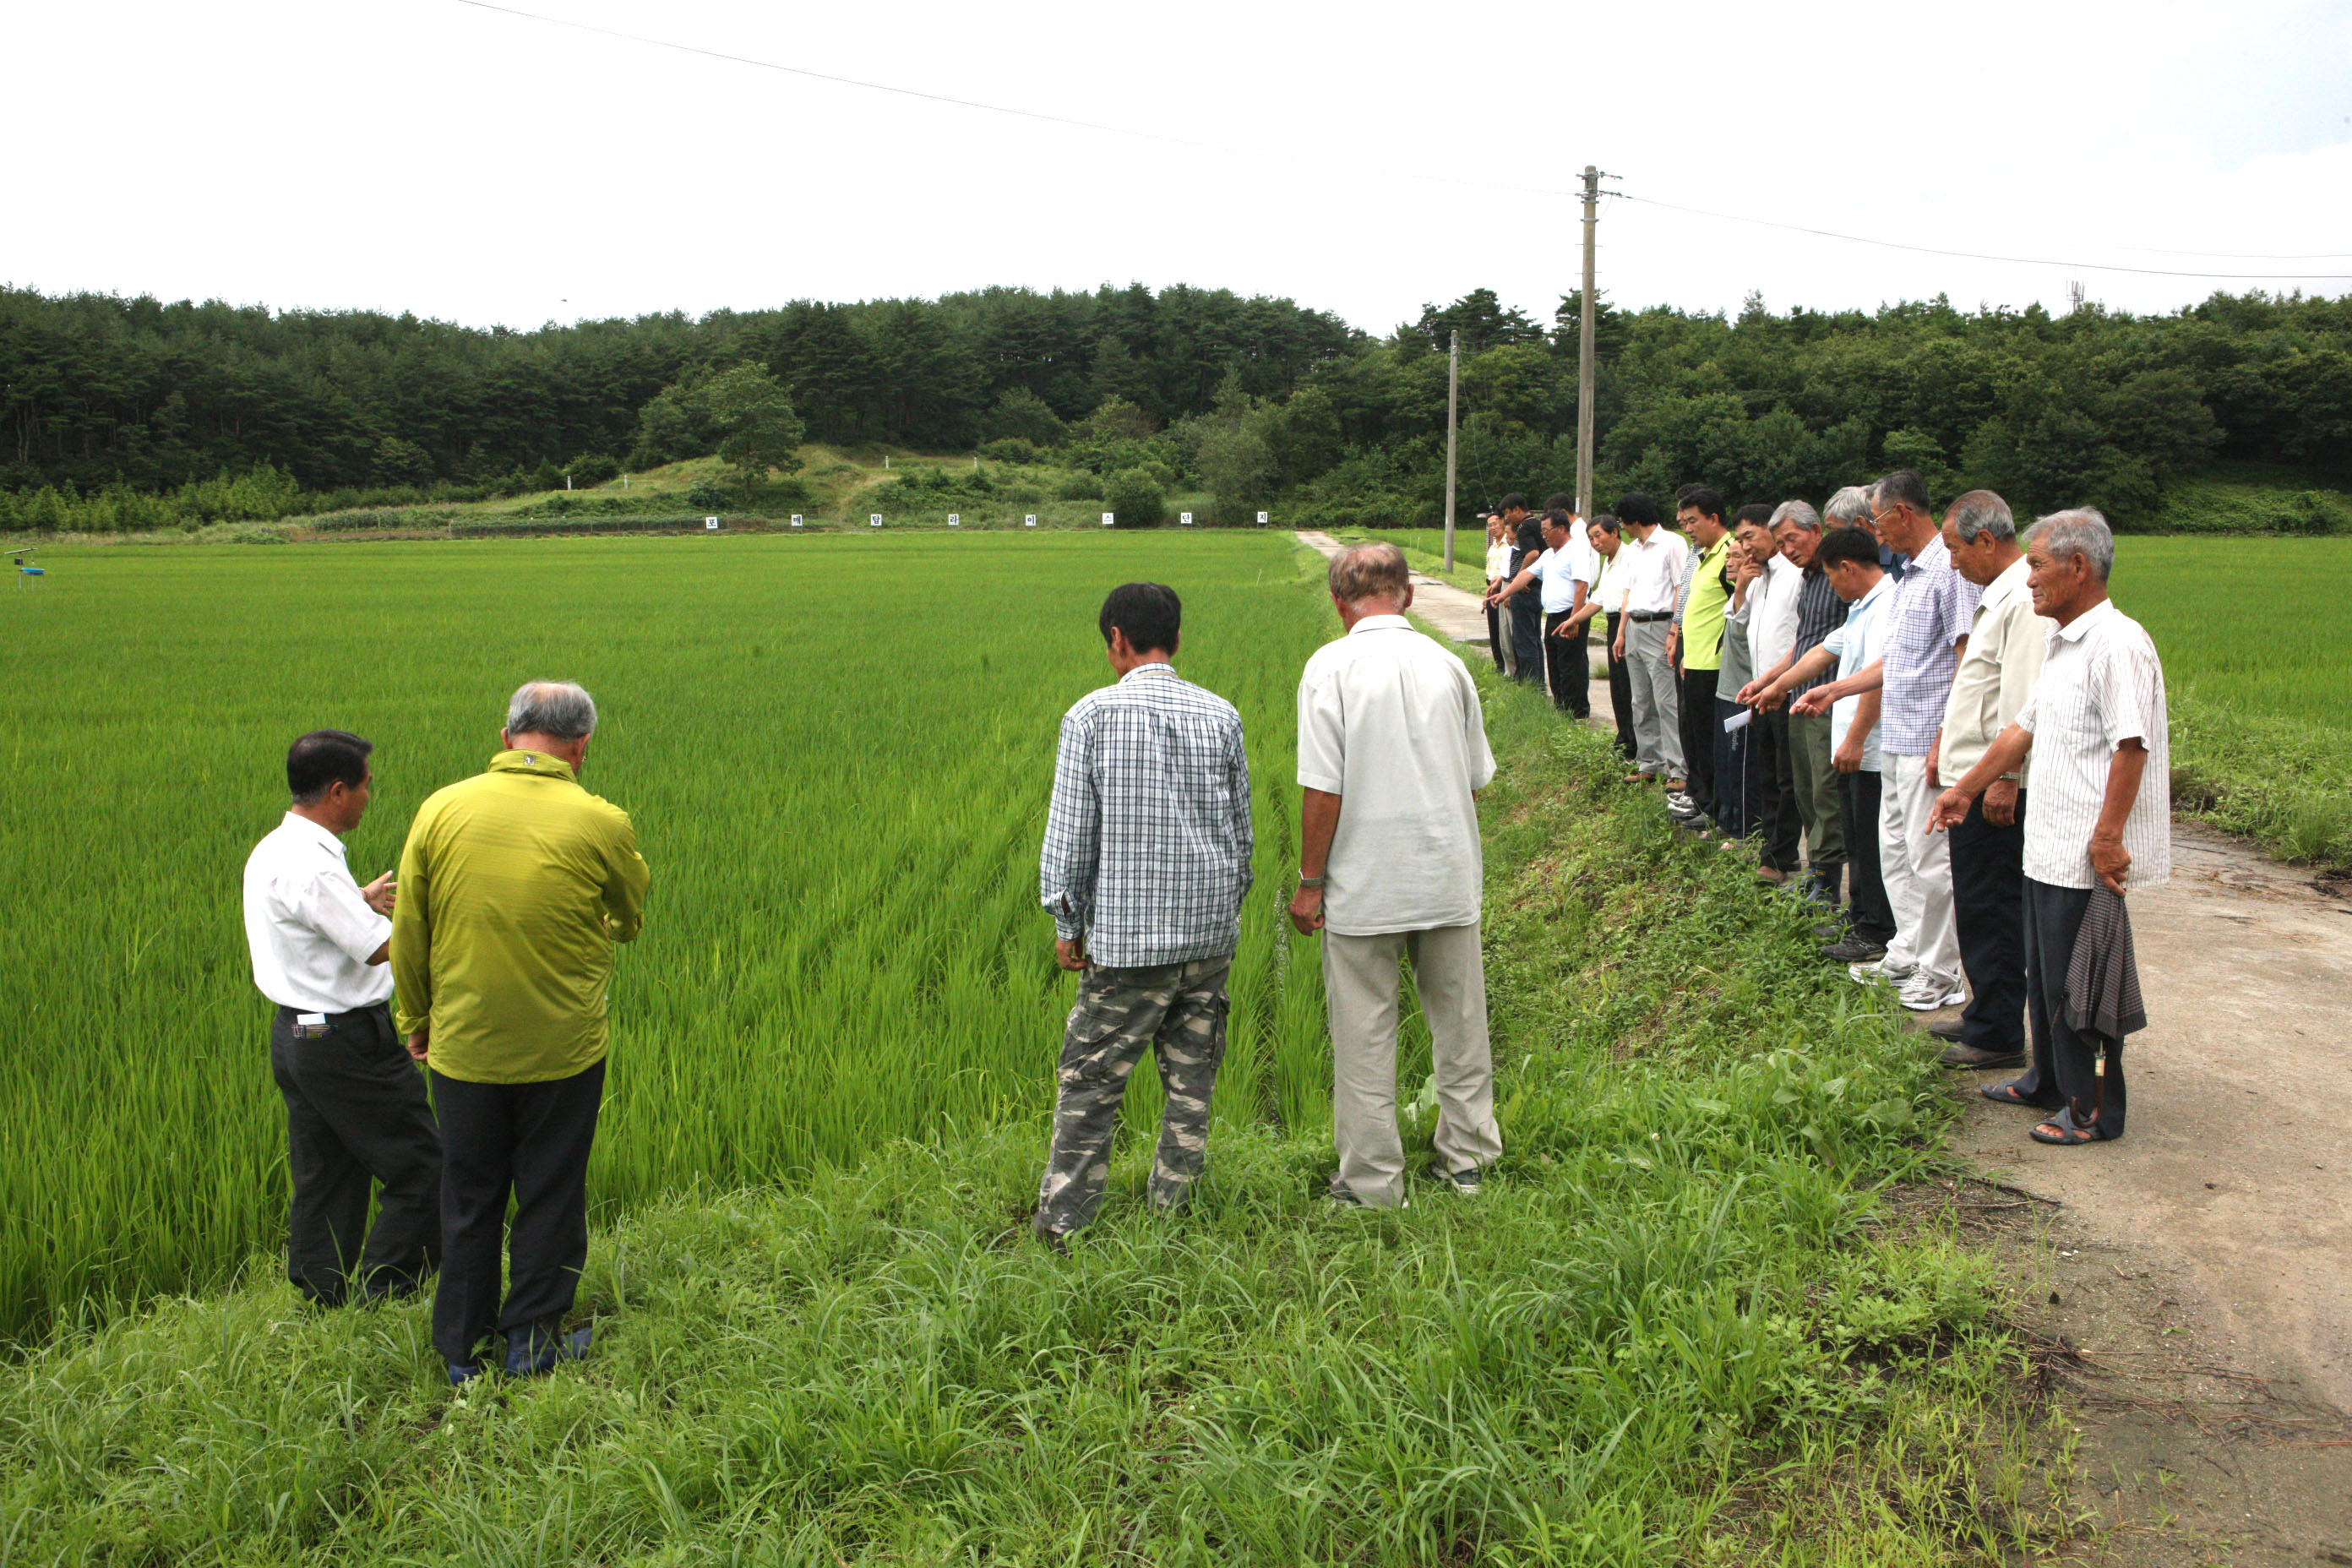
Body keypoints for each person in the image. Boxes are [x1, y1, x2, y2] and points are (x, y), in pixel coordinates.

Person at [395, 681, 651, 1383]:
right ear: (581, 746)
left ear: (508, 737)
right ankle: (531, 1343)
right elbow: (630, 911)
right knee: (549, 1190)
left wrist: (416, 1022)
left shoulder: (441, 809)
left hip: (462, 1046)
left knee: (469, 1192)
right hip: (562, 1051)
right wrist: (612, 926)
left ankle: (461, 1352)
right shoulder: (601, 821)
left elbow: (408, 928)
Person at [1930, 509, 2169, 1146]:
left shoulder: (2117, 643)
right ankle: (2044, 1078)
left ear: (2079, 567)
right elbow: (2019, 732)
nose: (2028, 578)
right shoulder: (2064, 644)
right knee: (2045, 974)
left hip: (2082, 853)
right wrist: (1963, 790)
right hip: (2046, 845)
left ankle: (2093, 1110)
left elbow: (2131, 745)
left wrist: (2109, 837)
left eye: (2037, 565)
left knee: (2082, 985)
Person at [1034, 583, 1252, 1246]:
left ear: (1117, 641)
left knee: (1092, 1087)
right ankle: (1175, 1214)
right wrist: (1219, 911)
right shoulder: (1222, 716)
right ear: (1176, 641)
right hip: (1208, 936)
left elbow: (1069, 836)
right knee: (1192, 1083)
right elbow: (1242, 837)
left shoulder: (1092, 716)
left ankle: (1065, 1226)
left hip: (1129, 946)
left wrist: (1068, 921)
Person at [1289, 542, 1502, 1206]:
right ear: (1407, 594)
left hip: (1365, 883)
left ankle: (1374, 1183)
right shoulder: (1448, 665)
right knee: (1461, 1025)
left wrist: (1309, 880)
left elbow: (1323, 790)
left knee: (1364, 1033)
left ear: (1337, 601)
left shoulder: (1331, 667)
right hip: (1445, 874)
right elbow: (1473, 783)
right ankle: (1468, 1162)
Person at [242, 730, 440, 1307]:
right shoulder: (314, 867)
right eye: (364, 787)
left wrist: (355, 897)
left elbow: (307, 912)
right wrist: (450, 922)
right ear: (336, 791)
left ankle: (320, 1295)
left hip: (299, 1035)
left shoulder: (277, 849)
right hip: (347, 1042)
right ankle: (386, 1291)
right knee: (423, 1167)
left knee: (326, 1171)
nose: (367, 797)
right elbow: (382, 949)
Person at [1799, 471, 1982, 1013]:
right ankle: (1906, 949)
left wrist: (1946, 739)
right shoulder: (1907, 578)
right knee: (1894, 852)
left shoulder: (1950, 575)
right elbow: (1895, 664)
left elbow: (1965, 660)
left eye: (1877, 519)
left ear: (1902, 513)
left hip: (1928, 738)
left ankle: (1941, 969)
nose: (1874, 532)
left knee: (1931, 859)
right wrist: (1837, 688)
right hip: (1896, 736)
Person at [1929, 492, 2047, 1069]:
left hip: (1994, 784)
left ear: (1985, 541)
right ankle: (1985, 1013)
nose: (1952, 563)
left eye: (1955, 549)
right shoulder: (1999, 596)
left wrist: (2007, 779)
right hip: (1975, 776)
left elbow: (2022, 700)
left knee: (1994, 903)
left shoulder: (2022, 599)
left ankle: (1999, 1032)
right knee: (1976, 902)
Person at [1740, 493, 1850, 902]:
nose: (1787, 550)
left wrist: (1777, 684)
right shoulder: (1809, 578)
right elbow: (1803, 644)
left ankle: (1828, 883)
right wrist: (1770, 679)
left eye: (1792, 540)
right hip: (1798, 697)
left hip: (1828, 700)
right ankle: (1818, 872)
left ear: (1816, 531)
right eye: (1781, 543)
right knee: (1803, 791)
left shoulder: (1839, 577)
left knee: (1823, 793)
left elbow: (1833, 645)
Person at [1811, 529, 1899, 965]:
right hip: (1852, 748)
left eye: (1831, 577)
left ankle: (1877, 929)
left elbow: (1878, 680)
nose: (1832, 586)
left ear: (1848, 568)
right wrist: (1774, 685)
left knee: (1871, 842)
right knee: (1856, 840)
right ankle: (1861, 914)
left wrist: (1855, 739)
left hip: (1870, 750)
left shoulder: (1887, 607)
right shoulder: (1862, 607)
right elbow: (1827, 650)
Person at [1745, 501, 1809, 879]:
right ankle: (1776, 848)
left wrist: (1781, 681)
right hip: (1763, 689)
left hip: (1789, 690)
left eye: (1750, 536)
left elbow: (1804, 637)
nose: (1746, 546)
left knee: (1788, 779)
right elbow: (1742, 624)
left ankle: (1778, 855)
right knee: (1768, 774)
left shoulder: (1795, 575)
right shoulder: (1761, 578)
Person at [1610, 493, 1687, 790]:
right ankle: (1648, 762)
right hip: (1634, 627)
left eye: (1623, 521)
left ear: (1635, 519)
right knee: (1640, 699)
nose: (1623, 527)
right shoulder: (1633, 551)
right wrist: (1621, 633)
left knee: (1665, 700)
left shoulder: (1672, 543)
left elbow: (1681, 587)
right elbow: (1629, 593)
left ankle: (1677, 768)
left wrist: (1675, 630)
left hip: (1661, 624)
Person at [1666, 484, 1733, 825]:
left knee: (1710, 742)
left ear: (1714, 518)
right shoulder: (1705, 555)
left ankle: (1714, 808)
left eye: (1693, 521)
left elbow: (1738, 611)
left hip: (1714, 665)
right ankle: (1701, 798)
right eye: (1684, 523)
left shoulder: (1729, 554)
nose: (1688, 529)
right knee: (1693, 736)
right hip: (1694, 661)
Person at [1484, 509, 1594, 716]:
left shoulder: (1576, 551)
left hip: (1571, 615)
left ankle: (1577, 714)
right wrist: (1503, 593)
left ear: (1561, 529)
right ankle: (1561, 709)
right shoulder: (1549, 554)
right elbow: (1526, 574)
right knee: (1554, 666)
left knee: (1571, 667)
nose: (1543, 535)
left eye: (1546, 530)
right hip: (1553, 617)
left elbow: (1582, 587)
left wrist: (1574, 620)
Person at [1711, 508, 1774, 840]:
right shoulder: (1742, 593)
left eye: (1737, 555)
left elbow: (1742, 635)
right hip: (1727, 692)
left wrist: (1742, 589)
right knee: (1726, 764)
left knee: (1744, 766)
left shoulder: (1757, 590)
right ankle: (1728, 821)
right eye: (1729, 556)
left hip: (1745, 694)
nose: (1731, 562)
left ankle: (1745, 832)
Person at [1576, 514, 1637, 760]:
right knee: (1618, 687)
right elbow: (1600, 596)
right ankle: (1623, 739)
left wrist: (1621, 631)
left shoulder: (1630, 557)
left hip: (1628, 625)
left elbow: (1629, 597)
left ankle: (1633, 744)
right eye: (1591, 538)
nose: (1595, 543)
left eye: (1598, 535)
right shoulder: (1610, 562)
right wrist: (1574, 620)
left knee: (1630, 687)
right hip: (1614, 625)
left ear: (1614, 533)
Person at [1481, 514, 1513, 676]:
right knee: (1493, 628)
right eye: (1489, 525)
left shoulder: (1510, 543)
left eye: (1495, 523)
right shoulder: (1493, 545)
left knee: (1504, 630)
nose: (1493, 528)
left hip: (1503, 588)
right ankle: (1499, 665)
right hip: (1492, 587)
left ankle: (1507, 667)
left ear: (1502, 522)